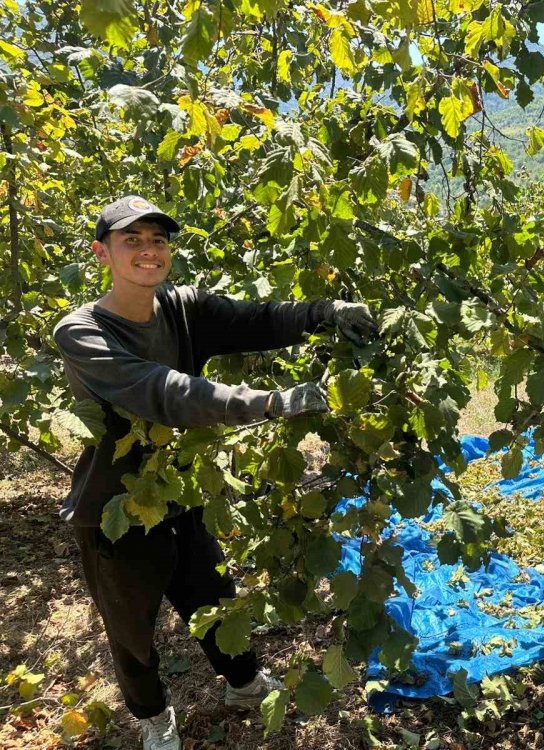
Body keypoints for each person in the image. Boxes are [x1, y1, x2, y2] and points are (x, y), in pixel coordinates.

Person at [53, 196, 379, 750]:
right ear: (101, 252)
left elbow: (259, 319)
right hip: (116, 505)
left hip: (183, 487)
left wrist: (327, 311)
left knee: (213, 593)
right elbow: (167, 393)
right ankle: (154, 717)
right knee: (131, 630)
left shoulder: (183, 308)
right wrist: (274, 401)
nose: (147, 251)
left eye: (157, 240)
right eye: (131, 240)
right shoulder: (81, 332)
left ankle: (244, 684)